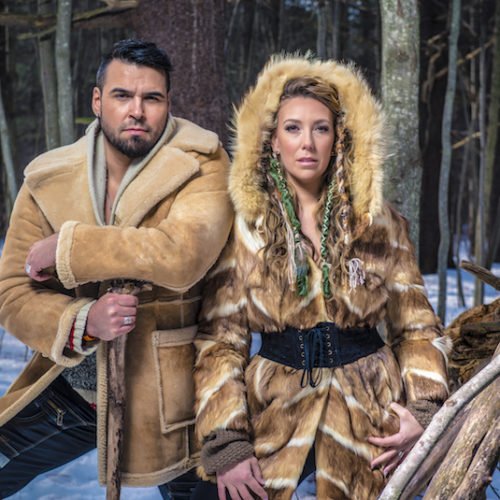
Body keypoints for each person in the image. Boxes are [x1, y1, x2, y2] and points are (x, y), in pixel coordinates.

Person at [193, 55, 451, 500]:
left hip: (372, 410)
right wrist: (228, 441)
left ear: (339, 139)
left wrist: (424, 412)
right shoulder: (244, 230)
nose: (307, 143)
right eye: (293, 128)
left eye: (321, 128)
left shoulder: (378, 222)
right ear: (272, 141)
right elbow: (220, 342)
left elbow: (416, 329)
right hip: (275, 411)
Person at [0, 39, 233, 499]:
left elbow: (180, 256)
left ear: (169, 102)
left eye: (152, 98)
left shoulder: (202, 162)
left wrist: (69, 248)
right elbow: (12, 293)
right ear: (97, 100)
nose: (137, 111)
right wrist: (83, 322)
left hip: (168, 403)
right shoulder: (47, 177)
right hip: (75, 391)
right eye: (122, 95)